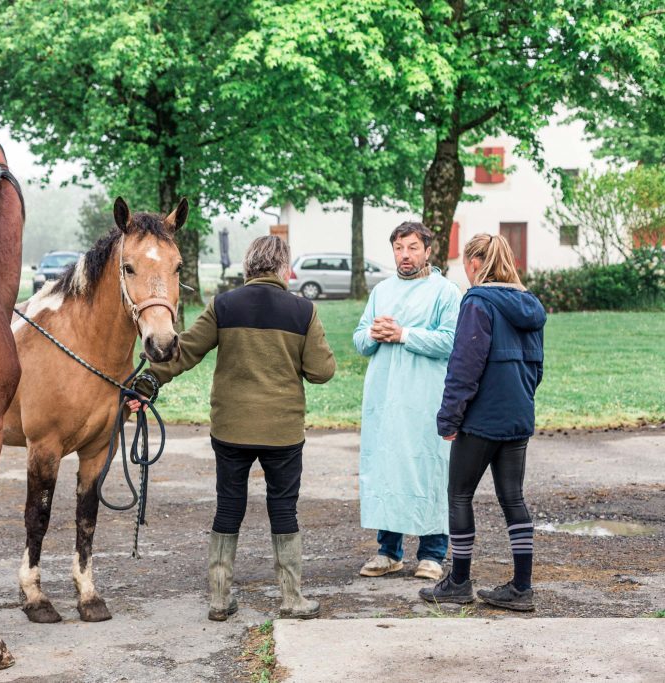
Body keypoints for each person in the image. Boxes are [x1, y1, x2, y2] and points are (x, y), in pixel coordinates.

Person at [130, 235, 336, 621]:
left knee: (229, 506)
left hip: (230, 428)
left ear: (248, 266)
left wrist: (148, 383)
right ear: (282, 268)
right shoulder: (302, 310)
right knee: (283, 508)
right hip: (282, 431)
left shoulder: (224, 305)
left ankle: (220, 599)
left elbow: (186, 351)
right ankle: (292, 598)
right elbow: (322, 371)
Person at [420, 233, 546, 611]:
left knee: (459, 494)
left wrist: (449, 418)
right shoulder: (530, 304)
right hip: (518, 415)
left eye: (465, 263)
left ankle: (459, 582)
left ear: (476, 263)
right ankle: (522, 588)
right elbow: (537, 367)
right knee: (513, 497)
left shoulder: (477, 302)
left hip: (481, 418)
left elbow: (464, 366)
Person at [353, 222, 461, 581]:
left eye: (413, 247)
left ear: (428, 250)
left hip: (426, 396)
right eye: (399, 248)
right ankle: (389, 551)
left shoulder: (445, 292)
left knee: (428, 467)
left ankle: (433, 552)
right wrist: (373, 333)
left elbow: (450, 341)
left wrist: (404, 334)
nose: (405, 255)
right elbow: (359, 339)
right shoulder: (381, 291)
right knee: (389, 468)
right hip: (385, 396)